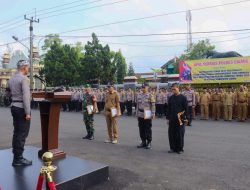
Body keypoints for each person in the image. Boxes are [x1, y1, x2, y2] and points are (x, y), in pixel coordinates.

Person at [7, 60, 32, 166]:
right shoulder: (24, 79)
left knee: (16, 132)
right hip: (22, 108)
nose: (28, 69)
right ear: (24, 67)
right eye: (27, 67)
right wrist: (27, 112)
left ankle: (16, 156)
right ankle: (18, 159)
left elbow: (6, 94)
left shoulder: (11, 79)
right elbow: (26, 97)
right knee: (22, 134)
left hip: (14, 106)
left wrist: (13, 98)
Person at [167, 83, 188, 154]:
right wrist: (168, 118)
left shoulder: (183, 98)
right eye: (172, 89)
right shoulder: (171, 98)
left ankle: (180, 149)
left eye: (174, 89)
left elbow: (186, 109)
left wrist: (185, 118)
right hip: (172, 118)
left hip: (180, 118)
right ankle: (172, 148)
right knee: (171, 134)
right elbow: (168, 109)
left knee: (179, 134)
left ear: (178, 88)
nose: (173, 90)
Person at [136, 83, 156, 149]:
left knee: (147, 128)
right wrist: (137, 113)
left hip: (147, 113)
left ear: (148, 88)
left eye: (144, 87)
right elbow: (137, 105)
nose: (143, 88)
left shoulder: (150, 95)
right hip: (140, 114)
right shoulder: (139, 95)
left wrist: (153, 114)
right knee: (141, 129)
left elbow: (153, 105)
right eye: (142, 87)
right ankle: (143, 142)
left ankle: (149, 142)